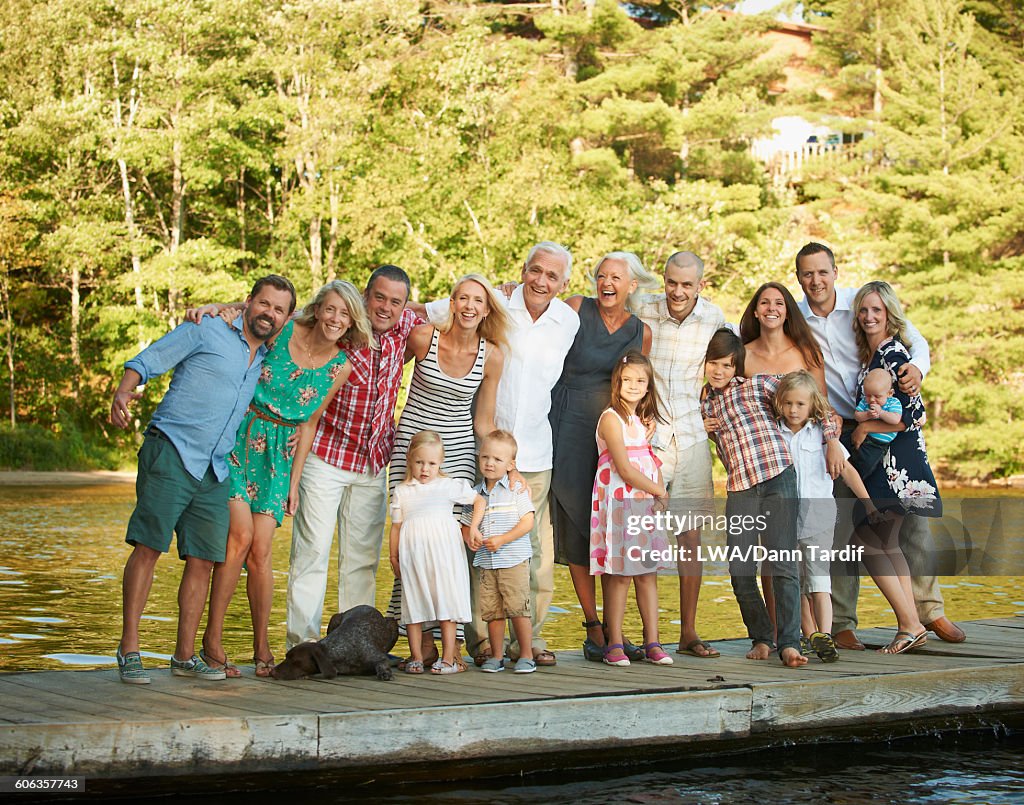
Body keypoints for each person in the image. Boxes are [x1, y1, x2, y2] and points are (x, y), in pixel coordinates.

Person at [110, 275, 296, 684]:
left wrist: (227, 303)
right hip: (171, 449)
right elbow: (149, 359)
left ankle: (183, 656)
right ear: (249, 302)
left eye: (279, 309)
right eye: (263, 304)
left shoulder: (267, 354)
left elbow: (313, 314)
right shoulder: (205, 328)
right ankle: (129, 648)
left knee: (203, 561)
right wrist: (123, 393)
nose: (270, 313)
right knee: (148, 547)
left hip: (215, 467)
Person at [794, 242, 963, 649]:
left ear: (835, 271)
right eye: (806, 274)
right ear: (798, 278)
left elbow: (912, 338)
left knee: (909, 525)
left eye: (822, 272)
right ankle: (843, 623)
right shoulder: (794, 317)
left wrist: (917, 368)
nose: (816, 281)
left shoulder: (861, 302)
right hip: (836, 426)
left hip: (883, 424)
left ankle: (928, 611)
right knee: (844, 526)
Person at [198, 281, 371, 677]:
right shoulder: (285, 329)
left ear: (352, 323)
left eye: (344, 314)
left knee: (261, 553)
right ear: (317, 309)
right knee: (238, 539)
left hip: (279, 458)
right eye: (330, 309)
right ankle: (213, 642)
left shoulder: (341, 366)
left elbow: (310, 423)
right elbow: (252, 316)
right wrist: (214, 307)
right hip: (241, 438)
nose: (335, 319)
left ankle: (262, 647)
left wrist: (294, 484)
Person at [420, 242, 579, 667]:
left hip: (536, 451)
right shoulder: (493, 301)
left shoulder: (569, 319)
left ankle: (531, 640)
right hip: (487, 450)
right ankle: (481, 641)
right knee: (478, 545)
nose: (541, 281)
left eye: (552, 276)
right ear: (523, 270)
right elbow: (426, 312)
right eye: (536, 271)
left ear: (564, 283)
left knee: (535, 550)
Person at [285, 265, 421, 650]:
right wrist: (225, 308)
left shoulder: (406, 325)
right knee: (311, 554)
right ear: (365, 295)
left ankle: (351, 645)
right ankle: (304, 645)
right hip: (325, 456)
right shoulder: (341, 322)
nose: (386, 307)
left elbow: (453, 306)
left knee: (361, 561)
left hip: (374, 462)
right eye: (379, 297)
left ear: (404, 305)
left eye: (395, 301)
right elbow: (288, 316)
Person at [385, 273, 510, 666]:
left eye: (478, 301)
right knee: (410, 546)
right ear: (452, 302)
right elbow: (385, 377)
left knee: (449, 551)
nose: (470, 307)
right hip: (411, 451)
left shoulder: (492, 355)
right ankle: (416, 645)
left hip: (457, 455)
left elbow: (484, 421)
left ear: (487, 309)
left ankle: (451, 646)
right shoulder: (423, 337)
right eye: (463, 298)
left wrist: (510, 467)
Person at [701, 329, 840, 668]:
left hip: (778, 477)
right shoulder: (701, 404)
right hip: (741, 487)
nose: (720, 371)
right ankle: (763, 635)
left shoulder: (759, 385)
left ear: (738, 368)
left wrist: (832, 439)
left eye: (728, 365)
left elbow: (812, 401)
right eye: (714, 364)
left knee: (783, 563)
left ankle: (790, 644)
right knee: (740, 569)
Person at [549, 251, 657, 662]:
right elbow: (535, 326)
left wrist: (644, 430)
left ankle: (618, 630)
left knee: (613, 531)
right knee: (578, 525)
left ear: (632, 285)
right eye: (601, 275)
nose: (606, 283)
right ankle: (596, 626)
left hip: (615, 437)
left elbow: (640, 383)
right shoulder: (576, 308)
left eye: (616, 277)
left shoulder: (641, 332)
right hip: (568, 427)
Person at [634, 251, 724, 659]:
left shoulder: (714, 318)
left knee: (690, 539)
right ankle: (642, 636)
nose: (678, 291)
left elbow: (732, 366)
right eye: (672, 282)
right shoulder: (643, 307)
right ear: (664, 279)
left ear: (700, 286)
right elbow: (601, 302)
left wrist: (714, 415)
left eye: (687, 285)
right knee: (637, 537)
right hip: (645, 440)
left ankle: (688, 632)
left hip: (690, 440)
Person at [739, 280, 844, 626]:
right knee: (771, 549)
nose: (771, 308)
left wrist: (831, 443)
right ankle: (780, 629)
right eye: (765, 303)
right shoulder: (744, 354)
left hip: (805, 457)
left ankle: (813, 630)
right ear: (755, 310)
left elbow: (824, 406)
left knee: (802, 553)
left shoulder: (804, 352)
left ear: (787, 311)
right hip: (761, 462)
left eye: (779, 303)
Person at [851, 281, 942, 655]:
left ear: (890, 313)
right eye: (864, 310)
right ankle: (913, 625)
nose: (870, 317)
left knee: (868, 542)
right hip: (884, 463)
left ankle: (908, 624)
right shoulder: (872, 354)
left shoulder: (893, 354)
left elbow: (913, 414)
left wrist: (864, 426)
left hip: (898, 464)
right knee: (887, 543)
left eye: (878, 310)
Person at [772, 370, 880, 663]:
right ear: (779, 402)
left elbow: (846, 469)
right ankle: (809, 636)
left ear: (812, 406)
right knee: (795, 580)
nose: (793, 410)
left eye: (800, 405)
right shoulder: (772, 434)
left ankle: (827, 635)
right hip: (784, 521)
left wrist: (868, 503)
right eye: (788, 403)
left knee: (819, 580)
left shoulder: (822, 436)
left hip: (818, 518)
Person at [590, 352, 673, 666]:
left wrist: (659, 489)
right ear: (617, 383)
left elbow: (650, 459)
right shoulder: (611, 418)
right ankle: (614, 644)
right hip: (621, 503)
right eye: (627, 380)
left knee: (647, 574)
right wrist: (658, 489)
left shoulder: (641, 422)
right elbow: (624, 469)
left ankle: (653, 641)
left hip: (645, 505)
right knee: (621, 574)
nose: (633, 385)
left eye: (640, 380)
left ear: (649, 385)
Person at [388, 430, 485, 675]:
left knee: (446, 602)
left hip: (444, 554)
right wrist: (393, 556)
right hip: (414, 555)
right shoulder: (403, 491)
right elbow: (396, 527)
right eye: (419, 462)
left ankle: (449, 658)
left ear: (440, 462)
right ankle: (417, 657)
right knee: (413, 603)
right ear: (410, 460)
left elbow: (479, 501)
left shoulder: (448, 486)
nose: (425, 468)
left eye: (431, 463)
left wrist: (473, 527)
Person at [461, 430, 537, 674]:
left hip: (513, 560)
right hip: (486, 562)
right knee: (492, 612)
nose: (489, 463)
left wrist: (504, 539)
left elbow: (528, 521)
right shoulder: (475, 494)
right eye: (485, 457)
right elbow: (465, 524)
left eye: (497, 459)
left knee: (517, 608)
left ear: (510, 464)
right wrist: (469, 536)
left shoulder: (516, 490)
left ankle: (526, 654)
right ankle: (496, 655)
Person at [851, 367, 903, 477]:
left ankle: (858, 479)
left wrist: (881, 413)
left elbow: (895, 419)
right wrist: (867, 415)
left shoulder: (893, 403)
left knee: (866, 464)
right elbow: (857, 416)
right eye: (868, 395)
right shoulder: (865, 402)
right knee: (851, 453)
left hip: (878, 444)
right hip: (864, 437)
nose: (872, 400)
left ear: (889, 393)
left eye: (877, 396)